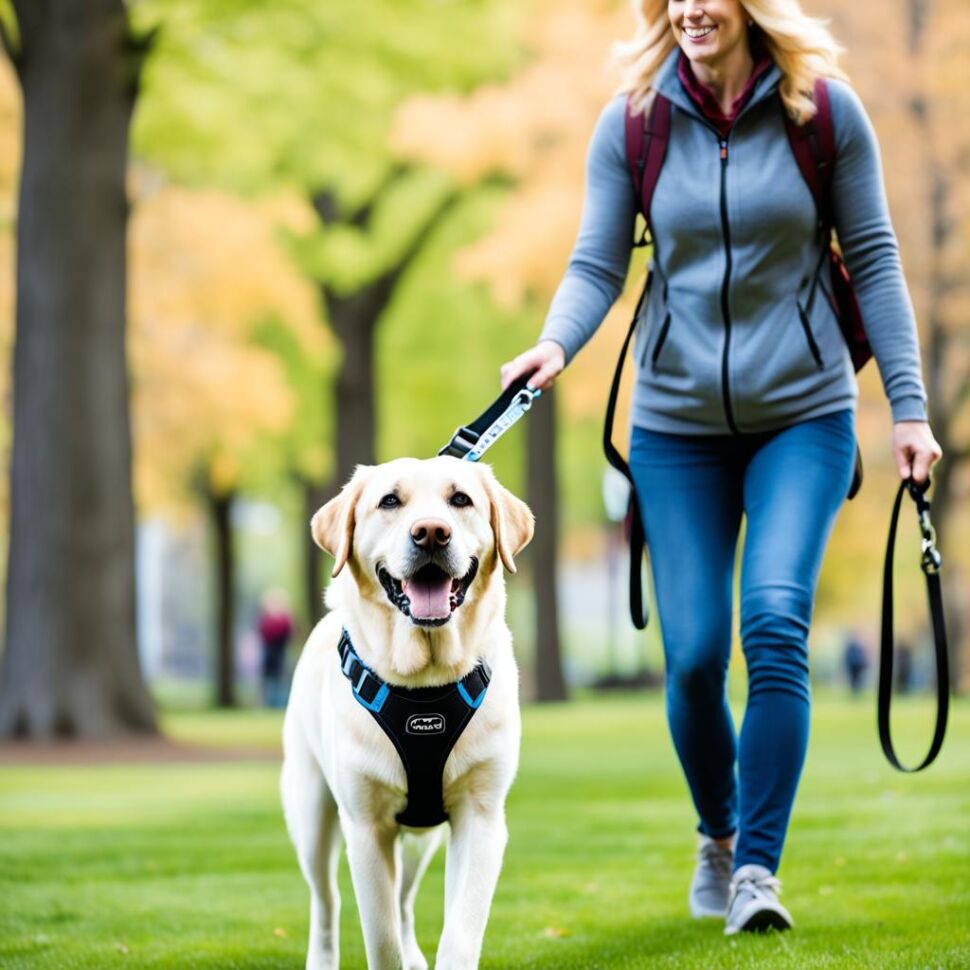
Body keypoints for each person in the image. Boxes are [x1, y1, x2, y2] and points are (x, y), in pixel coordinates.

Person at [500, 0, 942, 936]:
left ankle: (755, 868)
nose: (691, 8)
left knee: (774, 620)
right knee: (696, 657)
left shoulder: (823, 113)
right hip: (676, 423)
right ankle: (718, 828)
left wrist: (907, 409)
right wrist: (553, 347)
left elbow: (875, 256)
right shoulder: (634, 120)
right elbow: (596, 264)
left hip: (805, 414)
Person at [257, 589, 294, 709]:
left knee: (280, 679)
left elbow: (288, 634)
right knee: (269, 680)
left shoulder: (284, 620)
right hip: (269, 654)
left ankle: (279, 704)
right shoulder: (265, 619)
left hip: (280, 654)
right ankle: (268, 703)